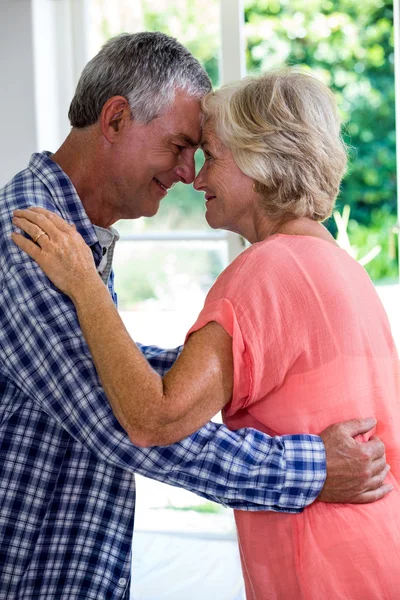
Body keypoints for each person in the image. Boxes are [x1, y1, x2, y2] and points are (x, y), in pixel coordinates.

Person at [2, 32, 390, 599]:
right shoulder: (33, 237)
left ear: (262, 164)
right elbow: (129, 423)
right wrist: (313, 469)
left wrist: (90, 290)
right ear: (114, 120)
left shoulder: (267, 267)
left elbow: (143, 407)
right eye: (182, 147)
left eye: (207, 155)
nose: (191, 174)